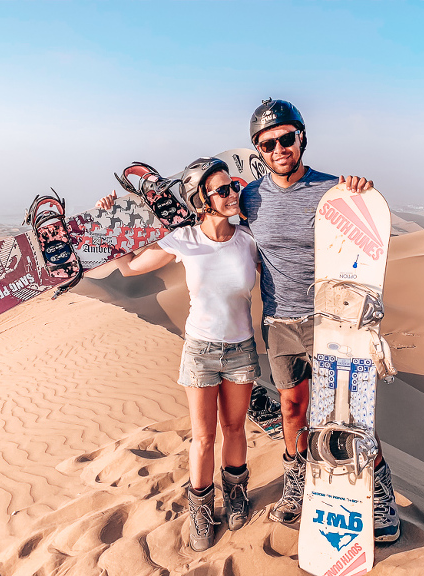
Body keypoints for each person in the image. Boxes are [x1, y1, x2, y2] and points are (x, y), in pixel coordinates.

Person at [240, 98, 401, 542]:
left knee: (349, 414)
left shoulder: (334, 192)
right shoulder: (250, 198)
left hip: (332, 321)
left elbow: (365, 230)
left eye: (286, 138)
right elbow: (201, 215)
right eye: (268, 143)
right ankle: (296, 483)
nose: (279, 149)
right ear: (259, 150)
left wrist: (360, 190)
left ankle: (380, 495)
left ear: (302, 137)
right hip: (278, 320)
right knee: (292, 408)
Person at [97, 158, 260, 552]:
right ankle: (201, 510)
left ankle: (235, 494)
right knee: (204, 437)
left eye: (233, 186)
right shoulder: (183, 239)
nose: (232, 194)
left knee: (235, 429)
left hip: (241, 348)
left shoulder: (248, 240)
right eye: (222, 190)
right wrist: (110, 225)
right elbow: (131, 267)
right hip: (200, 350)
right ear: (202, 199)